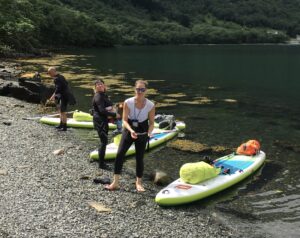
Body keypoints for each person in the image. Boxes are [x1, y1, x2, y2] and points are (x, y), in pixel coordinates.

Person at [105, 80, 155, 192]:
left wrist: (149, 132)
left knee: (139, 158)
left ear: (146, 90)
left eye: (142, 89)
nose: (140, 91)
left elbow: (151, 123)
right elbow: (124, 120)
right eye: (138, 89)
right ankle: (115, 182)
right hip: (129, 129)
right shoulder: (128, 102)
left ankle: (138, 183)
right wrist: (131, 130)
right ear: (135, 89)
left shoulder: (150, 105)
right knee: (119, 154)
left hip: (142, 130)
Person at [92, 79, 120, 170]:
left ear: (104, 86)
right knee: (104, 142)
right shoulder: (98, 96)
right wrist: (114, 114)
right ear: (95, 87)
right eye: (97, 85)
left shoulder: (104, 95)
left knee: (104, 141)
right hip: (100, 121)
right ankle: (101, 164)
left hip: (103, 120)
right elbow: (102, 111)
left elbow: (106, 108)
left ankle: (101, 161)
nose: (99, 86)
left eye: (101, 84)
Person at [48, 67, 69, 131]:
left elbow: (58, 89)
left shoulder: (57, 79)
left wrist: (53, 96)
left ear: (54, 72)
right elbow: (66, 84)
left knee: (63, 111)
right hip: (62, 95)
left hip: (64, 96)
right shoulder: (61, 76)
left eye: (50, 73)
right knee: (60, 110)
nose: (49, 74)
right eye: (48, 73)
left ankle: (64, 127)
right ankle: (61, 125)